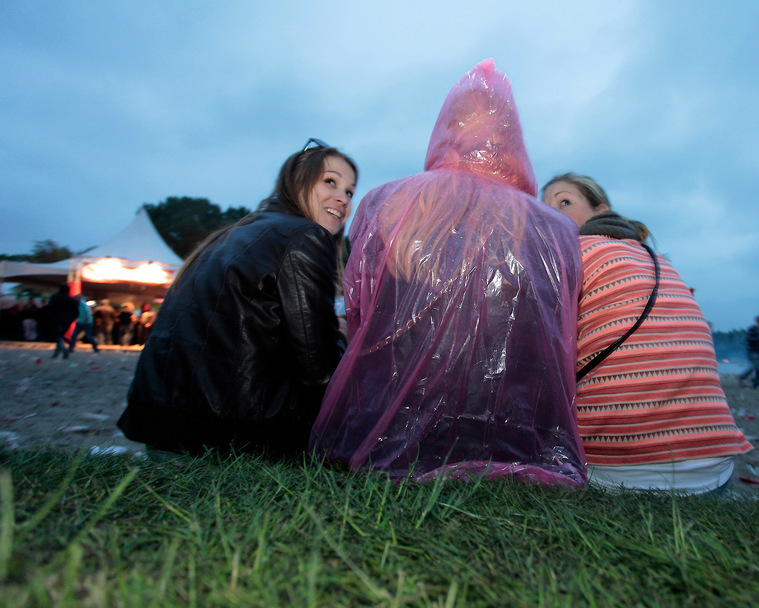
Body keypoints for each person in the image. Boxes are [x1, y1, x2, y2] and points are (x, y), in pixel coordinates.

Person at [310, 60, 586, 487]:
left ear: (447, 125)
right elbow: (552, 345)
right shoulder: (554, 230)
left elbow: (361, 319)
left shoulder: (389, 203)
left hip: (387, 424)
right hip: (504, 433)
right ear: (512, 134)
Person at [117, 139, 355, 459]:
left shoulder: (233, 234)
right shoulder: (303, 236)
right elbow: (318, 370)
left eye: (350, 191)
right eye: (330, 181)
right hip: (231, 435)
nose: (342, 198)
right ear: (296, 182)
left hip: (163, 426)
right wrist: (342, 338)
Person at [541, 173, 752, 494]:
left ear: (600, 211)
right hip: (714, 470)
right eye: (546, 208)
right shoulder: (660, 263)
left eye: (564, 202)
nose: (552, 215)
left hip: (616, 471)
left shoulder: (573, 254)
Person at [47, 284, 79, 359]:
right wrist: (72, 318)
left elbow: (50, 308)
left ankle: (64, 350)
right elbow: (76, 312)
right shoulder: (71, 300)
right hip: (68, 320)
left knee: (57, 336)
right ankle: (56, 353)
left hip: (56, 319)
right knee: (60, 335)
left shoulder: (55, 297)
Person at [737, 316, 759, 389]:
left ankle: (756, 384)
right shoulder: (752, 329)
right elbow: (749, 338)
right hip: (753, 351)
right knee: (756, 367)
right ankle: (743, 376)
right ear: (758, 320)